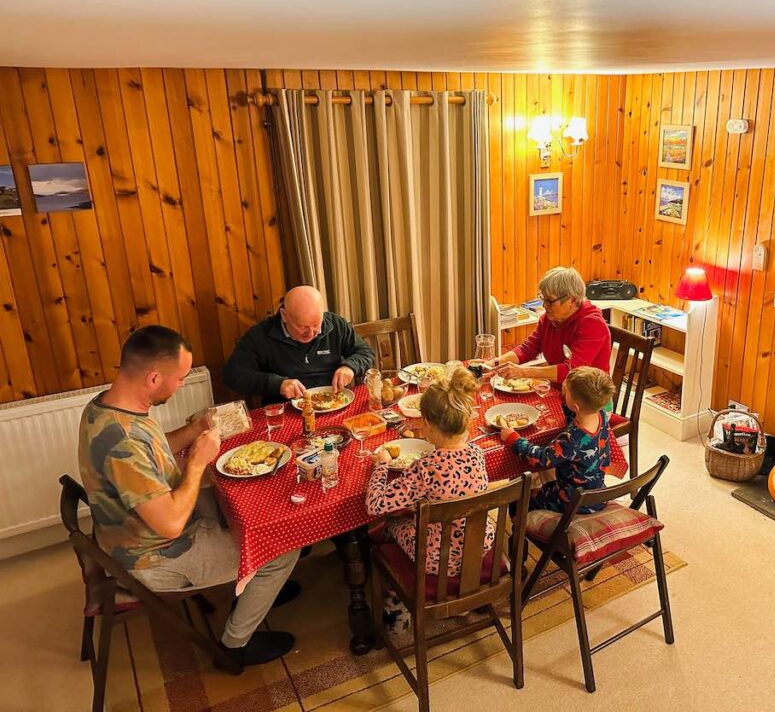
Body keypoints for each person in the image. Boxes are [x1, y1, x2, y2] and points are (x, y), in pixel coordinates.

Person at [78, 326, 300, 667]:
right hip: (155, 556)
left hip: (141, 527)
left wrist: (196, 429)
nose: (181, 384)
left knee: (255, 505)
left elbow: (152, 449)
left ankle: (261, 584)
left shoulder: (111, 407)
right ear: (154, 378)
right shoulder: (119, 441)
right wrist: (197, 463)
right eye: (180, 378)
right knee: (283, 543)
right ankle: (235, 646)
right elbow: (169, 524)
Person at [365, 367, 493, 633]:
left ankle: (397, 613)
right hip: (478, 544)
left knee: (385, 526)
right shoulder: (478, 453)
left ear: (431, 426)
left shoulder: (426, 467)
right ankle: (470, 594)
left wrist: (381, 466)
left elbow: (374, 504)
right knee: (414, 515)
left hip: (438, 558)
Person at [223, 285, 375, 402]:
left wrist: (350, 367)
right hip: (287, 410)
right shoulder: (261, 335)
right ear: (284, 315)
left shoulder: (335, 324)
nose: (311, 333)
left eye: (317, 324)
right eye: (302, 327)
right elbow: (233, 374)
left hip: (336, 402)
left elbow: (365, 352)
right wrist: (277, 384)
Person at [500, 366, 615, 514]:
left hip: (571, 501)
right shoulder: (601, 416)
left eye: (567, 392)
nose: (564, 392)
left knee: (519, 499)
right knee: (541, 487)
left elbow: (541, 458)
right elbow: (574, 413)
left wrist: (514, 439)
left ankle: (519, 534)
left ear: (576, 406)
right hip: (596, 493)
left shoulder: (572, 438)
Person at [494, 266, 611, 387]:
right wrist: (494, 364)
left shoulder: (593, 324)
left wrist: (523, 372)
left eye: (550, 300)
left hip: (590, 398)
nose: (544, 305)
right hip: (563, 389)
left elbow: (572, 371)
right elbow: (528, 349)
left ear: (573, 300)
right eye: (543, 298)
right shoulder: (550, 318)